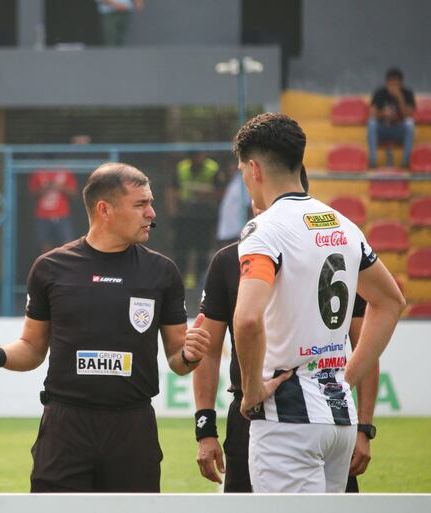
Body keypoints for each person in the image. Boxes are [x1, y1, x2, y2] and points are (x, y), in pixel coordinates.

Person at [0, 162, 210, 492]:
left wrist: (190, 354)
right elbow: (32, 348)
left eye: (150, 203)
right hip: (66, 426)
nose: (151, 213)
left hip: (132, 427)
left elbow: (178, 359)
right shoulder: (51, 268)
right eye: (140, 204)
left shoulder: (162, 272)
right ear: (104, 209)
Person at [232, 113, 405, 493]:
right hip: (338, 418)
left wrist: (252, 390)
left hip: (288, 420)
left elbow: (246, 319)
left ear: (254, 169)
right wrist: (348, 378)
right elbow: (391, 302)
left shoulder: (264, 230)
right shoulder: (343, 225)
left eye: (243, 171)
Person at [192, 170, 379, 493]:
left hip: (324, 409)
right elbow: (208, 349)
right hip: (250, 412)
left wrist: (364, 426)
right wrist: (205, 428)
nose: (258, 204)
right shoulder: (228, 261)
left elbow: (364, 340)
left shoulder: (333, 252)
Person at [167, 151, 224, 289]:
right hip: (184, 216)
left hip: (205, 217)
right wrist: (172, 210)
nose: (199, 158)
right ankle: (179, 280)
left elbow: (221, 192)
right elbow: (172, 190)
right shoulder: (182, 167)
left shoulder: (213, 168)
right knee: (181, 249)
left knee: (203, 250)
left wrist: (206, 193)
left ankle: (200, 281)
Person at [368, 68, 415, 169]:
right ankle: (373, 160)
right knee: (372, 123)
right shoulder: (380, 93)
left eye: (396, 84)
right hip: (383, 130)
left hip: (398, 130)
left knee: (410, 124)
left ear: (401, 83)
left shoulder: (407, 93)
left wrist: (400, 98)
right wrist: (383, 114)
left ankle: (405, 162)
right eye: (391, 84)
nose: (393, 87)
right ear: (386, 83)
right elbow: (372, 114)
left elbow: (408, 115)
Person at [28, 166, 77, 254]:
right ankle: (48, 263)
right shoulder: (38, 170)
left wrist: (59, 186)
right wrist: (46, 187)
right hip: (43, 216)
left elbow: (73, 193)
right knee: (44, 246)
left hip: (62, 215)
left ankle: (65, 263)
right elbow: (32, 193)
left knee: (68, 245)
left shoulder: (65, 170)